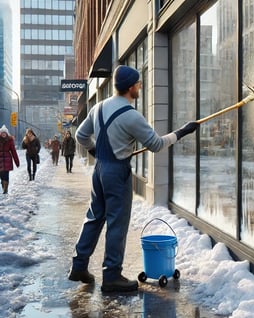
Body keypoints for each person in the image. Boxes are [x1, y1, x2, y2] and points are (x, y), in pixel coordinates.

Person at [68, 65, 198, 292]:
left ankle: (79, 265)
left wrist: (95, 151)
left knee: (94, 217)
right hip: (117, 172)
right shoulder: (131, 116)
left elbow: (81, 135)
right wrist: (182, 132)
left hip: (100, 170)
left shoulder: (98, 107)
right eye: (138, 83)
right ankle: (112, 276)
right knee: (117, 223)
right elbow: (156, 144)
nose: (140, 87)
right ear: (130, 87)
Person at [0, 125, 20, 194]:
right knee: (1, 175)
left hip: (7, 159)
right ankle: (3, 185)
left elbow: (13, 151)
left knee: (6, 174)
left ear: (6, 133)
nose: (3, 134)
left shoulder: (10, 140)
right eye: (2, 133)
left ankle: (5, 189)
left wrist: (17, 161)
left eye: (4, 133)